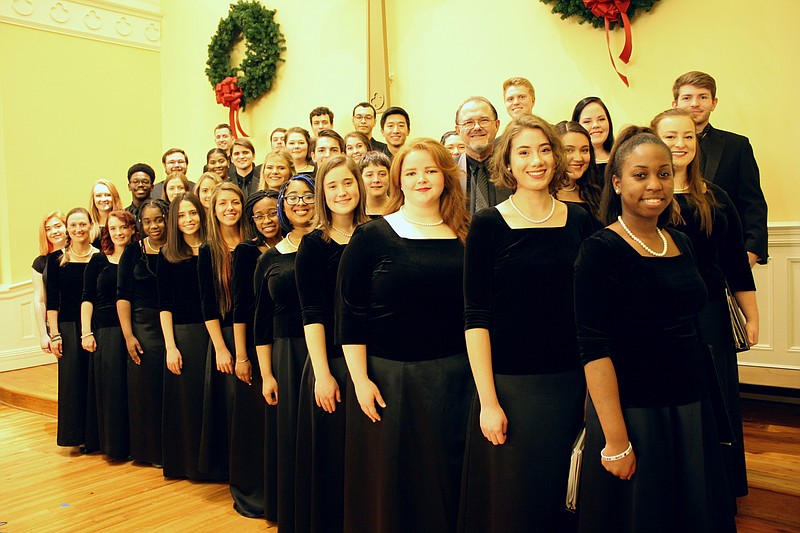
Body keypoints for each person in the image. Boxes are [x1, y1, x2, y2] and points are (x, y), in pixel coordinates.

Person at [574, 126, 735, 532]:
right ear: (617, 182)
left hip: (689, 404)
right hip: (636, 411)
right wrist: (615, 440)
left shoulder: (679, 239)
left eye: (664, 174)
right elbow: (594, 349)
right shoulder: (600, 249)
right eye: (640, 174)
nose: (655, 185)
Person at [459, 115, 592, 532]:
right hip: (513, 386)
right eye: (524, 152)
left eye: (544, 149)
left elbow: (595, 309)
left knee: (569, 494)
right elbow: (475, 317)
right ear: (508, 163)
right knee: (518, 501)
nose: (536, 160)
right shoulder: (488, 225)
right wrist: (489, 401)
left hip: (574, 380)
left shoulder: (582, 220)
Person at [336, 138, 472, 532]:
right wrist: (360, 380)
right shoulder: (373, 236)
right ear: (398, 181)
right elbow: (350, 312)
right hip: (390, 379)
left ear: (446, 176)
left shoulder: (466, 233)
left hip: (456, 380)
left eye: (430, 170)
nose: (421, 179)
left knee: (447, 480)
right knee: (393, 485)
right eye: (411, 172)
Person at [652, 108, 758, 500]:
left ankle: (718, 489)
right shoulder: (644, 195)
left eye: (688, 137)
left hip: (710, 313)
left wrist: (751, 315)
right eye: (670, 136)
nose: (680, 144)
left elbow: (734, 263)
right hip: (659, 319)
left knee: (717, 401)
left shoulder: (716, 196)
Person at [295, 155, 368, 533]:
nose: (342, 192)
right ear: (322, 193)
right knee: (334, 458)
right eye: (332, 185)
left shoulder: (379, 233)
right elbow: (313, 314)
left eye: (348, 182)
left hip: (374, 361)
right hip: (332, 363)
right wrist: (322, 375)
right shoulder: (314, 244)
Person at [254, 175, 316, 533]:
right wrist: (266, 373)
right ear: (282, 206)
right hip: (287, 354)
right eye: (292, 197)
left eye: (307, 195)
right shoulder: (269, 258)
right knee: (291, 434)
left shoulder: (329, 246)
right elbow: (261, 321)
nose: (300, 203)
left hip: (332, 350)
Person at [672, 71, 768, 267]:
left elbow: (753, 203)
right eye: (687, 97)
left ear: (714, 103)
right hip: (672, 253)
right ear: (675, 104)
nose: (694, 104)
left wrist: (751, 253)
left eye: (703, 97)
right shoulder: (657, 146)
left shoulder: (737, 146)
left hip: (723, 255)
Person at [157, 192, 221, 480]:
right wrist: (170, 346)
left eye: (192, 213)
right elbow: (164, 306)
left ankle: (214, 464)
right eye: (181, 215)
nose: (188, 219)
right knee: (188, 403)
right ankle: (188, 465)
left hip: (215, 333)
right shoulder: (168, 255)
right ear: (174, 220)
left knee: (212, 401)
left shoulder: (213, 248)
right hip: (186, 336)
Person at [229, 189, 281, 518]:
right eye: (259, 216)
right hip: (254, 342)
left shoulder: (300, 243)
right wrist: (241, 355)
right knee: (257, 421)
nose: (266, 221)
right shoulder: (246, 252)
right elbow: (240, 306)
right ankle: (259, 490)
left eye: (271, 213)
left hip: (290, 341)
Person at [198, 182, 246, 482]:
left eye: (235, 203)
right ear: (213, 211)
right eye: (223, 204)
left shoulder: (254, 242)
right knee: (231, 406)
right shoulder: (208, 250)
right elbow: (208, 304)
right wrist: (221, 348)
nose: (230, 209)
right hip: (226, 337)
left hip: (256, 335)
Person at [117, 198, 169, 468]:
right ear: (140, 224)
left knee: (169, 390)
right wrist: (128, 336)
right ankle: (149, 451)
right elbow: (123, 296)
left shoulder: (176, 249)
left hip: (171, 325)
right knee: (146, 389)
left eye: (158, 219)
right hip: (143, 326)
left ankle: (171, 450)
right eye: (147, 221)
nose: (154, 225)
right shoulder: (133, 252)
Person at [81, 209, 136, 461]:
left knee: (132, 389)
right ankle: (114, 446)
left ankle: (135, 445)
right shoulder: (98, 261)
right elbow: (87, 299)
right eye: (113, 228)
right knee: (112, 388)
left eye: (122, 227)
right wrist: (86, 333)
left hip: (135, 329)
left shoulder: (140, 257)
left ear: (132, 229)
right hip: (106, 331)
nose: (118, 233)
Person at [46, 207, 99, 451]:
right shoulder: (56, 259)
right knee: (72, 382)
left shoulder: (100, 257)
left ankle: (96, 437)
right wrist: (54, 334)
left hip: (96, 326)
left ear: (91, 225)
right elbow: (52, 301)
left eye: (82, 224)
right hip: (67, 327)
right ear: (67, 228)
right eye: (73, 225)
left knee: (95, 380)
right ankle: (75, 436)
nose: (78, 229)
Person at [455, 96, 510, 213]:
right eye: (468, 122)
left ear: (497, 125)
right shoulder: (448, 171)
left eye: (484, 120)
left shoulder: (513, 168)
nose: (477, 127)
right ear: (458, 130)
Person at [555, 121, 604, 228]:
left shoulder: (595, 193)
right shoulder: (545, 197)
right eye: (568, 150)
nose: (578, 158)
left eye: (584, 150)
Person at [33, 211, 67, 353]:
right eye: (48, 229)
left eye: (58, 226)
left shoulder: (81, 254)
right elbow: (39, 300)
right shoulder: (40, 262)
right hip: (57, 322)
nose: (54, 231)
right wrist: (43, 334)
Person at [572, 97, 615, 175]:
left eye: (601, 119)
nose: (596, 125)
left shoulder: (621, 158)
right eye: (587, 121)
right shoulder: (574, 164)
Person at [358, 151, 391, 218]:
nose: (376, 180)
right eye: (369, 175)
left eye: (382, 174)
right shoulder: (355, 212)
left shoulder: (399, 210)